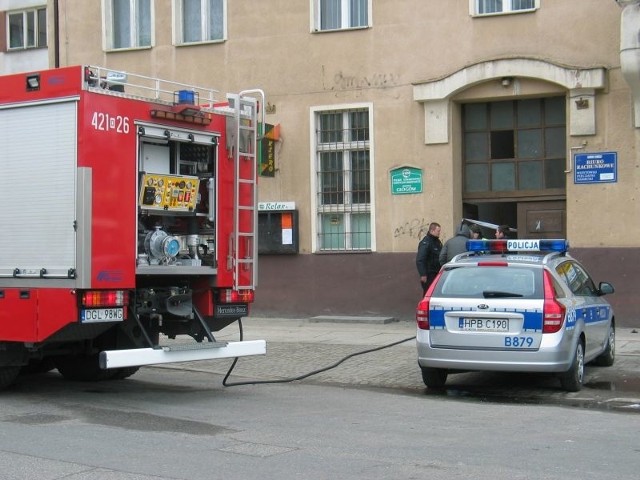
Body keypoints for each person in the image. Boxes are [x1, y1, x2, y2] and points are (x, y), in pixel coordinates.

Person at [416, 222, 442, 295]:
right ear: (432, 231)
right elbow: (420, 259)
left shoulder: (437, 242)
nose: (439, 233)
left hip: (436, 273)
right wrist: (423, 274)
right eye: (438, 231)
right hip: (429, 274)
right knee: (428, 294)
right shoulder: (426, 242)